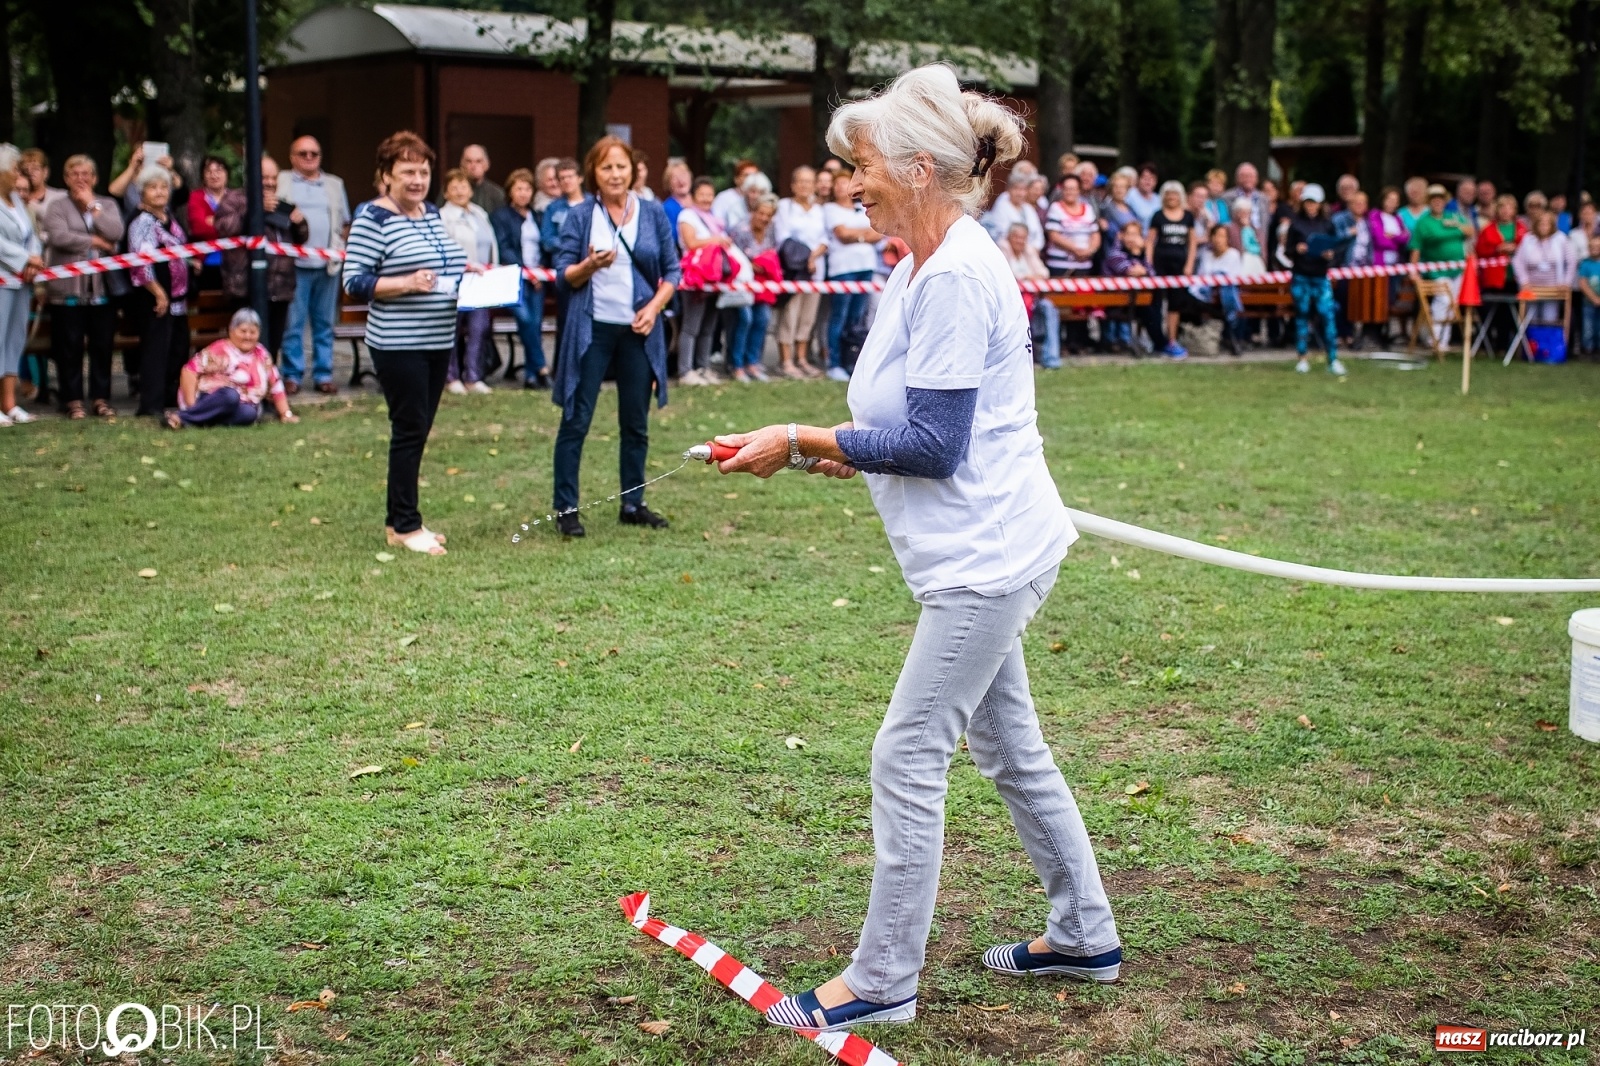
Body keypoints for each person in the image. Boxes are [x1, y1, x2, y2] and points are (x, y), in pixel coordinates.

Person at [710, 66, 1119, 1037]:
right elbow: (910, 424)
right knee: (1008, 745)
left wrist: (802, 437)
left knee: (906, 753)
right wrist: (842, 451)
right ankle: (1083, 933)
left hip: (986, 560)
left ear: (921, 169)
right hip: (977, 550)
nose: (852, 183)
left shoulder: (957, 275)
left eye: (863, 166)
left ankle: (884, 978)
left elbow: (936, 445)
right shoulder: (916, 268)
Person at [341, 131, 473, 558]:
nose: (417, 180)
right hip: (399, 343)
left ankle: (396, 521)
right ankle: (408, 525)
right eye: (407, 172)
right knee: (410, 429)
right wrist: (405, 283)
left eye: (423, 171)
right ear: (386, 175)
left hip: (438, 339)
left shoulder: (429, 213)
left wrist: (466, 271)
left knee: (418, 429)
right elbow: (354, 281)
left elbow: (438, 263)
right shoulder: (373, 218)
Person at [551, 134, 680, 537]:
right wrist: (589, 265)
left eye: (621, 166)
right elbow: (562, 277)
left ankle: (633, 503)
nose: (614, 174)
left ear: (633, 170)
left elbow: (672, 271)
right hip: (591, 329)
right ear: (593, 172)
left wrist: (653, 308)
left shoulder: (652, 212)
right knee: (576, 419)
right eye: (606, 167)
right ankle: (566, 509)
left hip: (638, 330)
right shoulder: (580, 215)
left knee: (635, 423)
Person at [40, 154, 125, 419]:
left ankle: (100, 398)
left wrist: (91, 205)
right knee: (69, 346)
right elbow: (59, 236)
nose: (80, 178)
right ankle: (73, 400)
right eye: (74, 174)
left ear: (95, 178)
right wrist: (96, 242)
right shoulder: (57, 206)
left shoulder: (107, 204)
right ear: (65, 179)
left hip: (102, 291)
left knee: (102, 346)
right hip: (67, 292)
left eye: (85, 173)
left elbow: (115, 232)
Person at [214, 153, 307, 359]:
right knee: (244, 347)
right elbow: (224, 228)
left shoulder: (280, 202)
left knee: (272, 347)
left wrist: (299, 222)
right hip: (246, 289)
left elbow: (300, 239)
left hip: (279, 289)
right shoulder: (235, 199)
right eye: (265, 177)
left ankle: (268, 378)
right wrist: (256, 210)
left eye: (274, 178)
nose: (270, 182)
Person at [278, 135, 350, 395]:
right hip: (294, 264)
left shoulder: (334, 184)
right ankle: (292, 375)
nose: (309, 158)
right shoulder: (282, 180)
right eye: (303, 153)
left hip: (327, 265)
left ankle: (323, 374)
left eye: (314, 154)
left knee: (324, 323)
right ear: (292, 157)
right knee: (293, 324)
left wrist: (341, 249)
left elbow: (344, 222)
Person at [128, 166, 200, 418]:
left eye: (164, 187)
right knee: (156, 351)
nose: (159, 192)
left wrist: (191, 262)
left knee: (178, 347)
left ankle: (172, 398)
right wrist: (158, 293)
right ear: (142, 192)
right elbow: (140, 263)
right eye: (153, 187)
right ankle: (151, 405)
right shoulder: (141, 222)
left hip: (178, 298)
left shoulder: (169, 216)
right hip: (155, 298)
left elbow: (176, 247)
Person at [169, 308, 297, 428]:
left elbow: (276, 384)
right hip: (210, 399)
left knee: (250, 413)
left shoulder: (261, 354)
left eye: (253, 332)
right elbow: (189, 371)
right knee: (230, 396)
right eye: (243, 331)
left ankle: (197, 421)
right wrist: (192, 406)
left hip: (240, 405)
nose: (248, 336)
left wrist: (285, 414)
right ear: (231, 331)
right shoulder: (219, 349)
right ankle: (184, 417)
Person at [438, 167, 499, 395]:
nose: (459, 191)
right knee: (451, 329)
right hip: (455, 281)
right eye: (454, 187)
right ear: (446, 193)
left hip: (480, 281)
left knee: (479, 328)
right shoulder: (442, 217)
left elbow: (491, 245)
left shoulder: (479, 213)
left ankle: (473, 377)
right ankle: (451, 376)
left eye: (463, 186)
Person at [490, 167, 550, 390]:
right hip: (513, 278)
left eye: (527, 189)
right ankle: (542, 367)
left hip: (538, 278)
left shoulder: (538, 216)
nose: (523, 193)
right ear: (510, 191)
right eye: (519, 189)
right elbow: (504, 248)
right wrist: (527, 271)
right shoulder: (501, 216)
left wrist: (539, 271)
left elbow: (545, 246)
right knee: (525, 320)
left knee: (535, 323)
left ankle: (531, 377)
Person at [823, 162, 881, 381]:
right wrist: (864, 235)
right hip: (843, 269)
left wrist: (856, 235)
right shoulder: (830, 209)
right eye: (837, 184)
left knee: (857, 318)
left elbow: (878, 233)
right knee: (839, 316)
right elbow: (842, 234)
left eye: (844, 182)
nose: (841, 187)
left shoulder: (861, 207)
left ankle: (851, 361)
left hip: (866, 267)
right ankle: (834, 362)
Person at [0, 144, 43, 426]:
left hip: (22, 282)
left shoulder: (16, 199)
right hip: (3, 279)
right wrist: (25, 258)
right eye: (14, 169)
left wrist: (33, 260)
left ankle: (10, 404)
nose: (19, 175)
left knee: (15, 339)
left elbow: (31, 235)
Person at [772, 165, 829, 378]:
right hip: (794, 270)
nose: (805, 186)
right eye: (801, 181)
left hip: (816, 271)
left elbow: (825, 238)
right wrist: (807, 258)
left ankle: (802, 359)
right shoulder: (785, 207)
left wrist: (814, 257)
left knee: (808, 317)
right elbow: (783, 238)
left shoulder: (819, 210)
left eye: (809, 182)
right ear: (793, 185)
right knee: (790, 315)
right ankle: (785, 361)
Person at [676, 176, 732, 385]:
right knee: (691, 327)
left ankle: (703, 367)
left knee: (708, 327)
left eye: (710, 195)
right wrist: (715, 240)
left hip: (714, 278)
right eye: (702, 194)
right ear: (693, 196)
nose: (707, 199)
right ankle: (685, 371)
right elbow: (691, 243)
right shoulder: (687, 216)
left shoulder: (713, 218)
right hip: (694, 278)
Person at [1285, 184, 1346, 375]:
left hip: (1320, 276)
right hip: (1301, 276)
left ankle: (1333, 359)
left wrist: (1330, 255)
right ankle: (1302, 358)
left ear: (1320, 204)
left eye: (1314, 203)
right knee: (1302, 316)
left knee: (1327, 316)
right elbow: (1287, 251)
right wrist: (1297, 249)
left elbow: (1336, 248)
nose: (1311, 206)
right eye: (1308, 203)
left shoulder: (1328, 224)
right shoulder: (1296, 225)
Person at [1408, 183, 1473, 351]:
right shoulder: (1424, 222)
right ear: (1429, 202)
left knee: (1453, 303)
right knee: (1443, 300)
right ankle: (1435, 340)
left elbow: (1470, 232)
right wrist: (1413, 270)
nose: (1437, 202)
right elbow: (1416, 248)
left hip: (1458, 268)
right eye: (1434, 199)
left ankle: (1444, 340)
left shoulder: (1454, 217)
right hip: (1436, 270)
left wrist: (1457, 226)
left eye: (1440, 199)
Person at [726, 194, 779, 381]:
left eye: (768, 215)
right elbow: (731, 255)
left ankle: (753, 362)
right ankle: (736, 364)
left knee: (762, 319)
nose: (764, 218)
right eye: (761, 213)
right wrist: (751, 265)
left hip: (762, 285)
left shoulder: (771, 230)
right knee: (745, 319)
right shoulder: (740, 230)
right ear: (753, 212)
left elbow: (773, 251)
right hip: (741, 283)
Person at [1000, 222, 1061, 368]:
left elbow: (1044, 272)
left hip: (1033, 298)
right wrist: (1028, 276)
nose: (1019, 241)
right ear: (1009, 237)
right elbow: (1005, 273)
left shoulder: (1029, 250)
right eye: (1016, 237)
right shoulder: (1002, 248)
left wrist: (1029, 277)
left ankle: (1051, 358)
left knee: (1048, 307)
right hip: (1009, 301)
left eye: (1023, 237)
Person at [1147, 180, 1197, 358]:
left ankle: (1172, 339)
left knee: (1175, 304)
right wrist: (1149, 264)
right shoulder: (1158, 216)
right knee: (1156, 303)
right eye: (1168, 194)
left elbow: (1192, 242)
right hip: (1160, 265)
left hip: (1179, 266)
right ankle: (1157, 341)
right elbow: (1150, 241)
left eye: (1175, 194)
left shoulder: (1188, 216)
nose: (1172, 197)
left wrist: (1189, 264)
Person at [1102, 219, 1166, 354]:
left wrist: (1142, 256)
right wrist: (1138, 256)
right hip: (1114, 301)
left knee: (1154, 299)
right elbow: (1130, 271)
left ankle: (1159, 343)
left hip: (1133, 299)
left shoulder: (1138, 254)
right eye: (1129, 234)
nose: (1132, 238)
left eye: (1135, 235)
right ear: (1121, 235)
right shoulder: (1114, 254)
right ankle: (1161, 343)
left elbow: (1151, 273)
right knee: (1148, 308)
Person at [1510, 211, 1576, 323]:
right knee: (1531, 319)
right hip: (1532, 287)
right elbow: (1517, 261)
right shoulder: (1528, 239)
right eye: (1541, 223)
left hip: (1554, 289)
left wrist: (1566, 282)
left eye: (1547, 224)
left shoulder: (1561, 239)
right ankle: (1531, 335)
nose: (1544, 226)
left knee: (1549, 319)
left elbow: (1572, 261)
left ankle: (1548, 335)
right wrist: (1524, 281)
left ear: (1552, 225)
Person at [1190, 223, 1245, 355]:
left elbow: (1233, 278)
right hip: (1207, 296)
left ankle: (1231, 336)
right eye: (1216, 236)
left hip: (1226, 296)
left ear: (1227, 239)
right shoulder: (1206, 255)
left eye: (1222, 236)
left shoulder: (1233, 255)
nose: (1218, 239)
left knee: (1227, 294)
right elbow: (1201, 277)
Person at [186, 154, 232, 290]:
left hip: (234, 264)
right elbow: (199, 229)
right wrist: (228, 224)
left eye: (219, 170)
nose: (214, 175)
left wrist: (213, 221)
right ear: (203, 176)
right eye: (209, 171)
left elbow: (241, 227)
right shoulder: (196, 197)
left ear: (227, 174)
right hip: (206, 263)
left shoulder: (236, 198)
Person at [110, 143, 184, 219]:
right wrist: (132, 167)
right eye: (142, 160)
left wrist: (170, 169)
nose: (159, 192)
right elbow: (113, 194)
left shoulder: (164, 181)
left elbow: (182, 195)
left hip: (164, 223)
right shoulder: (127, 184)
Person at [983, 169, 1044, 250]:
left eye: (1023, 190)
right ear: (1008, 190)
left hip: (1030, 250)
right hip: (1007, 250)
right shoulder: (1002, 206)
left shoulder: (1028, 208)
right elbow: (1002, 233)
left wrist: (1035, 248)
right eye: (1016, 189)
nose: (1020, 193)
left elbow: (1039, 235)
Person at [539, 158, 584, 266]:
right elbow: (547, 241)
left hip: (589, 264)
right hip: (562, 264)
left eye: (570, 176)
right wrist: (572, 244)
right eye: (562, 178)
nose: (566, 181)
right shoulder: (552, 208)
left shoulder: (593, 204)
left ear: (580, 178)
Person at [452, 145, 505, 214]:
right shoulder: (451, 190)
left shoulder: (497, 194)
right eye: (469, 161)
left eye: (478, 161)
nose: (473, 166)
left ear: (486, 164)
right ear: (462, 164)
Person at [711, 159, 760, 229]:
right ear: (736, 179)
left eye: (754, 175)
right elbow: (716, 224)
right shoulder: (723, 198)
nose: (751, 179)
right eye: (746, 175)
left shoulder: (762, 198)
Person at [18, 148, 65, 217]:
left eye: (35, 168)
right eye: (26, 169)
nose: (30, 172)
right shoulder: (16, 197)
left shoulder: (60, 197)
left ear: (45, 172)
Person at [1225, 161, 1267, 232]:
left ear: (1257, 179)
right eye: (1244, 176)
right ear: (1237, 178)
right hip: (1236, 236)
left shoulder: (1264, 198)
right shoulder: (1226, 197)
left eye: (1251, 176)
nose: (1248, 179)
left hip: (1259, 236)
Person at [1578, 233, 1600, 355]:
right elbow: (1583, 283)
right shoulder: (1585, 263)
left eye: (1598, 246)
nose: (1595, 249)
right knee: (1588, 328)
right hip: (1588, 302)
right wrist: (1594, 298)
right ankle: (1588, 350)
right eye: (1592, 246)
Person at [659, 157, 693, 232]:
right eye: (675, 177)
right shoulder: (667, 208)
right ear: (668, 183)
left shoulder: (700, 201)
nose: (680, 180)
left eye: (683, 175)